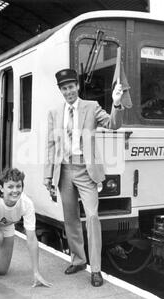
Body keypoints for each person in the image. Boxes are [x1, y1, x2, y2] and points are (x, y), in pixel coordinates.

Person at [43, 68, 124, 287]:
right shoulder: (54, 113)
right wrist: (47, 176)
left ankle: (95, 269)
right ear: (60, 90)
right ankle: (78, 260)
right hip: (64, 171)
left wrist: (116, 103)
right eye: (64, 88)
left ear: (77, 87)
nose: (68, 91)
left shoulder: (92, 107)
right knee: (70, 219)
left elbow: (114, 125)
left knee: (92, 217)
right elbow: (51, 145)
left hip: (87, 171)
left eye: (71, 87)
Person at [0, 168, 52, 299]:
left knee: (2, 270)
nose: (15, 190)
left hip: (6, 224)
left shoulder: (27, 204)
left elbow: (31, 239)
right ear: (1, 188)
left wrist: (36, 272)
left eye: (18, 186)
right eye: (10, 187)